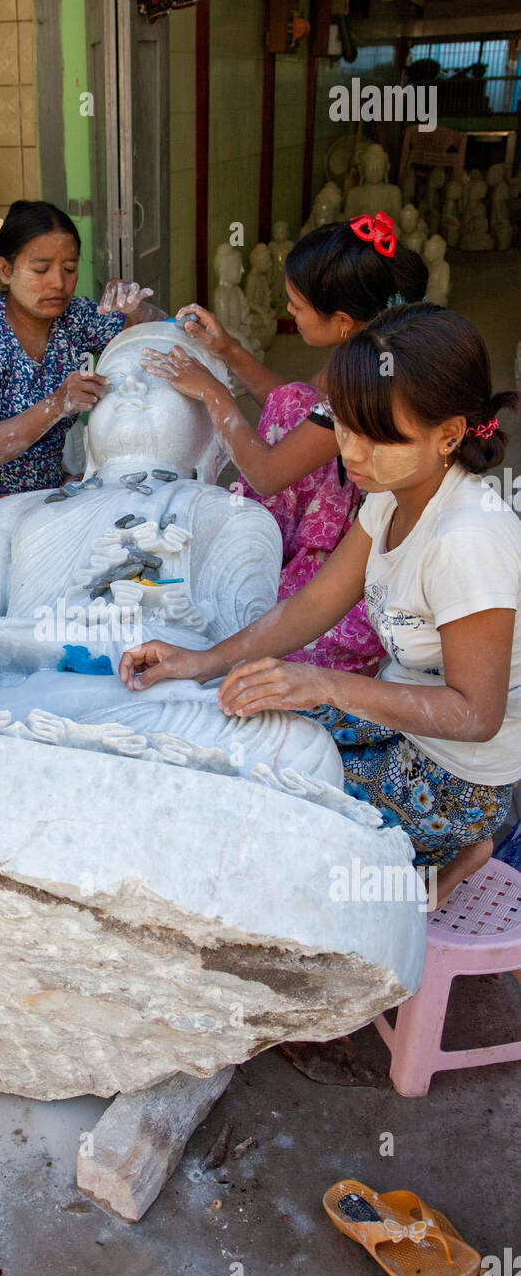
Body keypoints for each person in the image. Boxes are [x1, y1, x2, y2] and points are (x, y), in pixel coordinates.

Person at [122, 303, 520, 904]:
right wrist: (199, 662)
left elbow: (475, 716)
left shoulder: (467, 540)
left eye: (380, 437)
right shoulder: (392, 493)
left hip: (459, 779)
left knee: (269, 812)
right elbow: (313, 605)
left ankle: (460, 852)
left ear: (449, 435)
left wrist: (322, 685)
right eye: (346, 426)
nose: (353, 455)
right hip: (399, 723)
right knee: (233, 725)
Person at [141, 216, 428, 675]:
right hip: (358, 525)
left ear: (341, 322)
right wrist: (229, 350)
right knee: (294, 397)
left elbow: (268, 472)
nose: (289, 311)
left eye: (296, 304)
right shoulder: (370, 347)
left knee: (261, 644)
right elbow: (300, 411)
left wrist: (214, 393)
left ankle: (281, 559)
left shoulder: (368, 378)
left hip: (370, 559)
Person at [0, 199, 165, 603]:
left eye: (70, 269)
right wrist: (57, 404)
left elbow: (165, 330)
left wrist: (136, 309)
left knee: (132, 525)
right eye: (40, 269)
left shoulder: (74, 319)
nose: (58, 283)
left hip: (38, 495)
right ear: (6, 269)